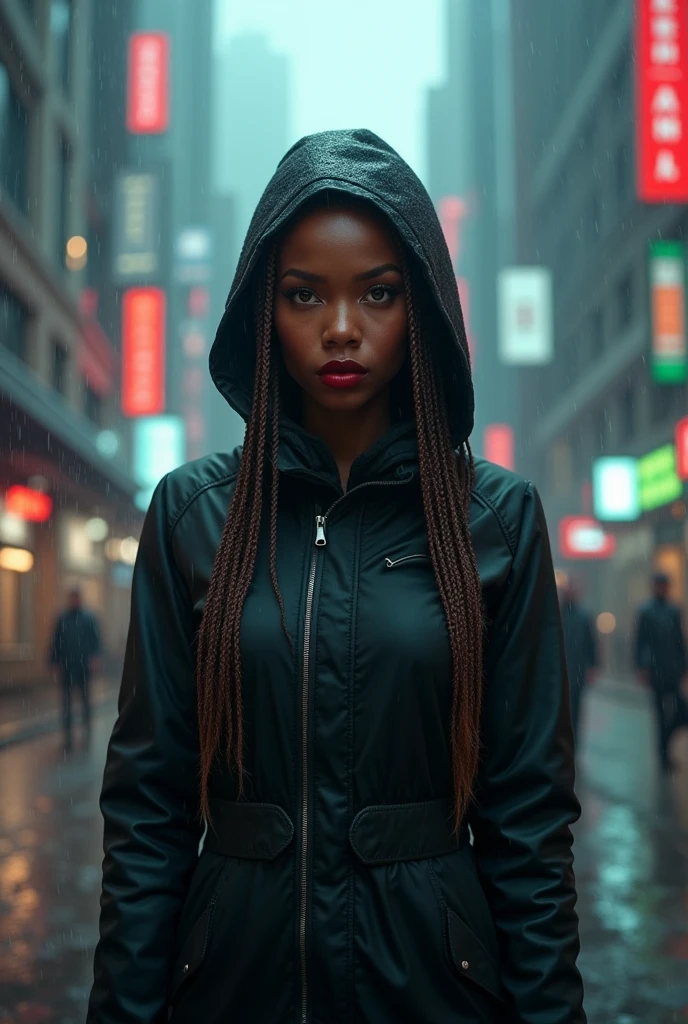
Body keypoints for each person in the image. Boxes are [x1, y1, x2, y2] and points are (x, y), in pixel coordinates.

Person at [88, 130, 584, 1023]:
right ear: (261, 310)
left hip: (434, 992)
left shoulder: (496, 522)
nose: (343, 327)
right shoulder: (195, 515)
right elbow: (149, 814)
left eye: (379, 293)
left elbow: (530, 829)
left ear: (422, 307)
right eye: (305, 294)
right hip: (232, 989)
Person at [634, 572, 687, 774]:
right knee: (659, 715)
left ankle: (666, 741)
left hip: (672, 670)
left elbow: (680, 640)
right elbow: (640, 641)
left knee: (680, 711)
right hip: (656, 671)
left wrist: (684, 667)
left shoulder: (674, 611)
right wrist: (641, 667)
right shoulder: (646, 611)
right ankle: (663, 755)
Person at [49, 586, 100, 750]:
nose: (74, 601)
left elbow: (95, 641)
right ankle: (68, 737)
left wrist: (94, 658)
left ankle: (87, 731)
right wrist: (54, 662)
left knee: (85, 699)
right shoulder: (63, 619)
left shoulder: (88, 618)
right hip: (67, 666)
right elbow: (56, 641)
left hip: (82, 665)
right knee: (67, 702)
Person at [559, 578, 598, 744]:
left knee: (575, 712)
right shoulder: (556, 614)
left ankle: (573, 747)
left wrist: (593, 667)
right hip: (561, 673)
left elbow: (591, 644)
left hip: (577, 672)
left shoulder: (584, 617)